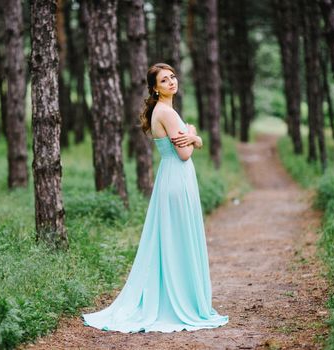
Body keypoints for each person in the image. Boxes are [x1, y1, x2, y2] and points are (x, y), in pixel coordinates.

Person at [82, 63, 229, 333]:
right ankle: (180, 303)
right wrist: (195, 136)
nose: (172, 82)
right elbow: (184, 154)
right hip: (177, 178)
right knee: (178, 238)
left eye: (173, 77)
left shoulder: (162, 111)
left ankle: (172, 297)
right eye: (164, 80)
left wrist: (192, 137)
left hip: (170, 177)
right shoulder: (168, 113)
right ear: (155, 88)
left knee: (170, 239)